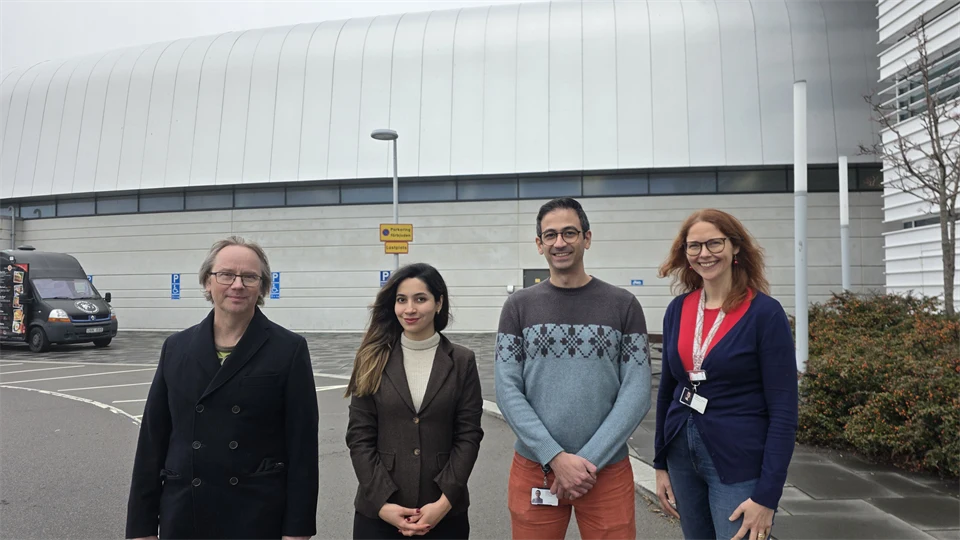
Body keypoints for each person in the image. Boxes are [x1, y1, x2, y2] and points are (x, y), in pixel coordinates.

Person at [125, 236, 319, 540]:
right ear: (207, 282)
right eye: (226, 274)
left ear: (263, 287)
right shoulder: (176, 348)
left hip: (256, 515)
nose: (237, 285)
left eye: (250, 277)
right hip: (185, 511)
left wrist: (298, 530)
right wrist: (141, 526)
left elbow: (303, 447)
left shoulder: (289, 349)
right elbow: (152, 441)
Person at [495, 197, 652, 540]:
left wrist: (585, 464)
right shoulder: (518, 307)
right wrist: (555, 458)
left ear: (587, 238)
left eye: (570, 233)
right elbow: (507, 390)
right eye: (550, 235)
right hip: (536, 468)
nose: (560, 242)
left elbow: (637, 392)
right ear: (539, 244)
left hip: (604, 470)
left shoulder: (623, 305)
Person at [653, 209, 798, 540]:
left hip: (737, 460)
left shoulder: (764, 313)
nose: (704, 253)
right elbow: (667, 389)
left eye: (714, 243)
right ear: (685, 254)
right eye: (695, 246)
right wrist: (659, 463)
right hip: (681, 457)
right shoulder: (678, 309)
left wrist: (767, 497)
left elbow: (784, 411)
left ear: (735, 248)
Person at [345, 262, 484, 539]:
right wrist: (383, 504)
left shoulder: (462, 361)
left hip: (444, 512)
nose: (409, 309)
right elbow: (359, 436)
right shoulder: (371, 358)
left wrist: (444, 502)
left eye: (420, 299)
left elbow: (468, 435)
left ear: (438, 303)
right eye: (401, 300)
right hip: (379, 512)